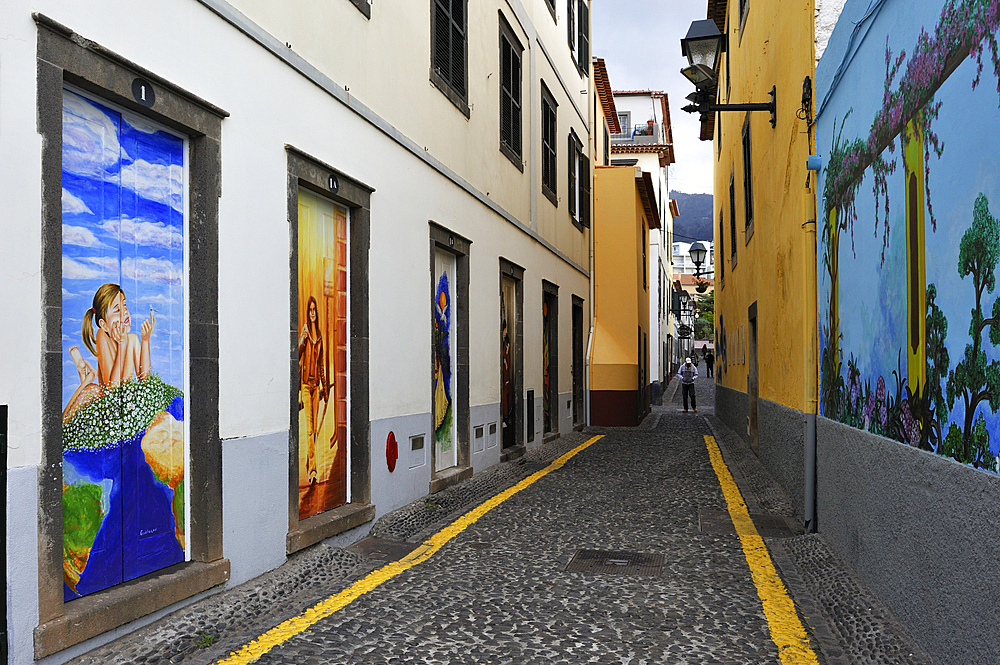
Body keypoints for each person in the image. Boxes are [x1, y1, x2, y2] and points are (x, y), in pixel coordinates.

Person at [65, 283, 155, 420]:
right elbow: (111, 391)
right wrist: (122, 346)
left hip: (123, 403)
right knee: (66, 418)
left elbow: (145, 380)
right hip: (103, 402)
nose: (124, 312)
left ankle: (88, 375)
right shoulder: (102, 336)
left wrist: (146, 340)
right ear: (104, 324)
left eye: (124, 305)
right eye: (117, 310)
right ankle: (87, 376)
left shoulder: (132, 340)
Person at [299, 296, 329, 484]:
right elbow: (297, 356)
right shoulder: (304, 334)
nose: (312, 312)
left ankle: (310, 460)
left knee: (315, 431)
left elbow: (321, 366)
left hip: (315, 387)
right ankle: (313, 471)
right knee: (310, 430)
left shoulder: (319, 337)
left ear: (316, 312)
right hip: (304, 386)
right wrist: (302, 341)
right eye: (309, 309)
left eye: (314, 309)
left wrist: (325, 389)